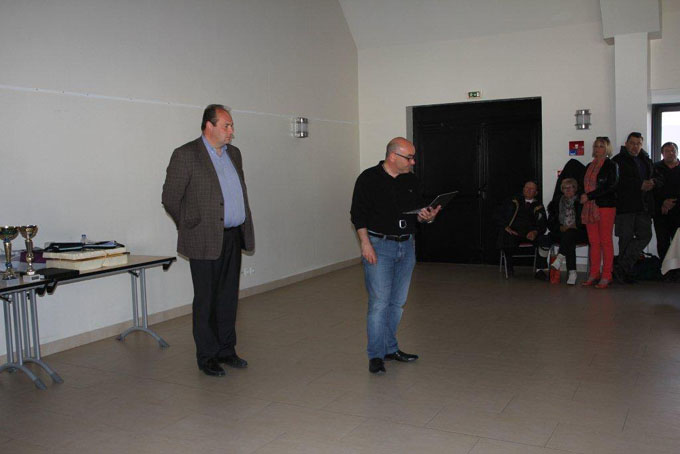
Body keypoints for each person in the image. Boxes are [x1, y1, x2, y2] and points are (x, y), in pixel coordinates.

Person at [162, 104, 255, 377]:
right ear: (209, 126)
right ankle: (207, 356)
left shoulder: (234, 154)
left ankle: (227, 350)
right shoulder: (186, 155)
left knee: (228, 297)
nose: (231, 131)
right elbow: (170, 198)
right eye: (226, 125)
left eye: (231, 125)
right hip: (203, 239)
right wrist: (190, 226)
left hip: (233, 236)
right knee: (206, 300)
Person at [350, 137, 440, 375]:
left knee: (397, 302)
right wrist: (365, 244)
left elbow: (417, 212)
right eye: (409, 158)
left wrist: (427, 217)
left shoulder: (411, 180)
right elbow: (358, 215)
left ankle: (390, 348)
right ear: (393, 157)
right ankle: (376, 355)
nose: (413, 162)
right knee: (379, 303)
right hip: (379, 246)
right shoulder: (368, 179)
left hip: (406, 246)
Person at [611, 132, 660, 284]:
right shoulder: (617, 160)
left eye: (638, 144)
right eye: (632, 143)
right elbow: (616, 182)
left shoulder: (646, 159)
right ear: (626, 144)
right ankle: (624, 272)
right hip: (625, 207)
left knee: (646, 235)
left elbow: (658, 176)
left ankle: (621, 267)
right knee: (625, 238)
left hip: (643, 207)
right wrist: (639, 185)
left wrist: (653, 182)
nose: (635, 146)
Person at [580, 137, 618, 288]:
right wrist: (585, 197)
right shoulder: (590, 165)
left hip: (605, 206)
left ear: (607, 149)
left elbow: (611, 186)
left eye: (601, 146)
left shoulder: (612, 165)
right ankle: (594, 273)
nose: (598, 149)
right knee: (594, 242)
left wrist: (590, 196)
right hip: (590, 207)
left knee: (605, 241)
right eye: (596, 146)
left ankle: (607, 274)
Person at [495, 181, 547, 277]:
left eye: (532, 189)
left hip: (531, 233)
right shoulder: (512, 201)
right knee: (506, 237)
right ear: (523, 189)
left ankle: (540, 270)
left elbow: (543, 223)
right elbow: (498, 215)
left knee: (544, 240)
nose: (528, 190)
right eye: (527, 187)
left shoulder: (539, 206)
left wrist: (535, 232)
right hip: (514, 231)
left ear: (536, 193)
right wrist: (506, 227)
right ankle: (509, 267)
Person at [545, 178, 588, 285]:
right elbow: (550, 222)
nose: (567, 190)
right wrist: (560, 227)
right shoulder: (556, 203)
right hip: (562, 232)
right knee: (569, 238)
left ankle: (560, 259)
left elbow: (587, 221)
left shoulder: (581, 202)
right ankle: (572, 272)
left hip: (580, 232)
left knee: (570, 235)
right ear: (562, 190)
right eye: (565, 188)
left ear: (575, 189)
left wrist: (576, 225)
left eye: (570, 187)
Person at [653, 142, 680, 261]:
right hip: (661, 212)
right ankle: (665, 268)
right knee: (663, 242)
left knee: (678, 243)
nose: (671, 153)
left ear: (677, 152)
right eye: (667, 151)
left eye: (673, 150)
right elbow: (651, 191)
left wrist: (672, 203)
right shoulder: (655, 168)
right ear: (662, 153)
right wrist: (663, 202)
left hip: (678, 212)